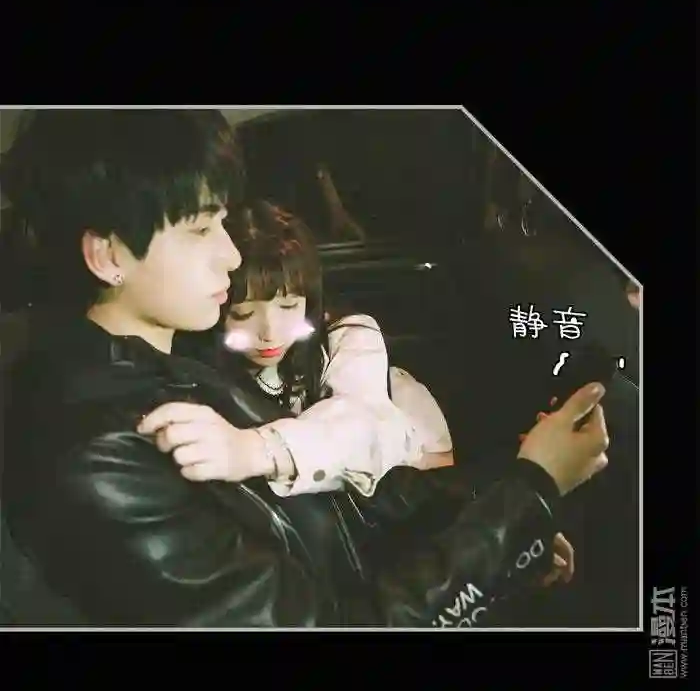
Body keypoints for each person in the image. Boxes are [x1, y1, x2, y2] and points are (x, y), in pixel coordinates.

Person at [1, 109, 609, 630]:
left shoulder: (177, 364)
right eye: (199, 229)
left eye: (223, 223)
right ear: (108, 255)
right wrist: (530, 492)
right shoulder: (99, 457)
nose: (230, 255)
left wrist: (505, 520)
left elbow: (345, 508)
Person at [180, 198, 456, 499]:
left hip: (417, 465)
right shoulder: (198, 362)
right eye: (243, 314)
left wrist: (256, 450)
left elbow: (362, 424)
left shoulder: (349, 336)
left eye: (289, 306)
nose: (270, 333)